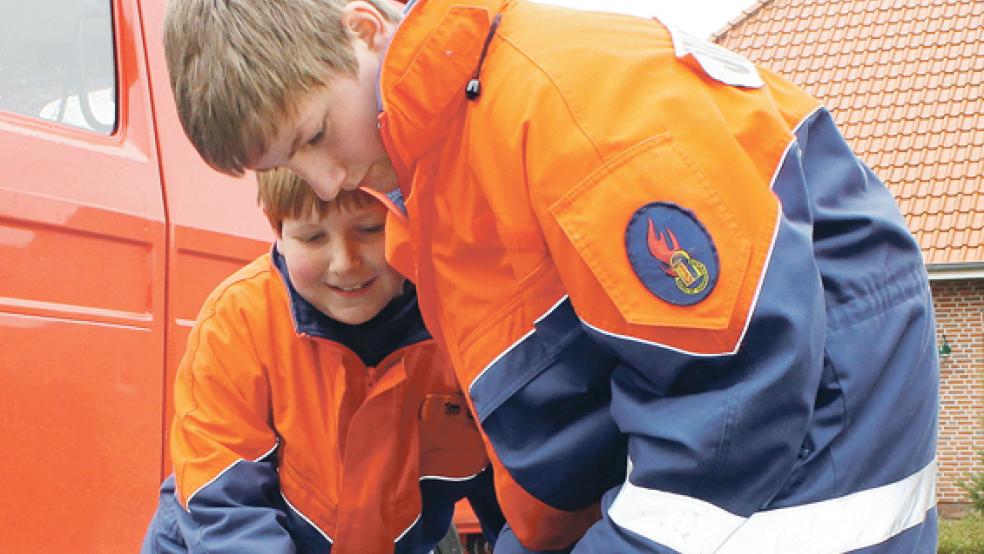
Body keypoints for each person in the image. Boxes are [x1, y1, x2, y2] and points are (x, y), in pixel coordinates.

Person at [162, 1, 940, 552]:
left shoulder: (563, 111)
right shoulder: (444, 167)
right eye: (288, 166)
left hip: (803, 472)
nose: (325, 182)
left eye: (314, 136)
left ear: (363, 31)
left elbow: (732, 390)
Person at [140, 167, 504, 554]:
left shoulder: (466, 329)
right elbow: (226, 506)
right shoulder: (236, 323)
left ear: (408, 218)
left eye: (369, 229)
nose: (345, 263)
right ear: (278, 232)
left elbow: (523, 500)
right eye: (313, 237)